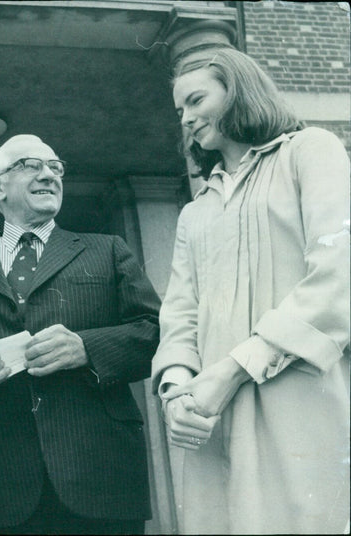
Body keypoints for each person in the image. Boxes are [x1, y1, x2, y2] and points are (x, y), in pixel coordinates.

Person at [152, 47, 350, 534]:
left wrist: (234, 369)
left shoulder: (311, 151)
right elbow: (178, 314)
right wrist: (177, 391)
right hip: (209, 420)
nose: (187, 118)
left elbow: (338, 274)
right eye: (180, 111)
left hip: (299, 397)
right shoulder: (194, 212)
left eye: (196, 100)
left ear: (238, 90)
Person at [0, 134, 161, 534]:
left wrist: (87, 348)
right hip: (0, 485)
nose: (49, 174)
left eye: (56, 167)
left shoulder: (107, 250)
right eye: (31, 165)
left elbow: (155, 332)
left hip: (99, 474)